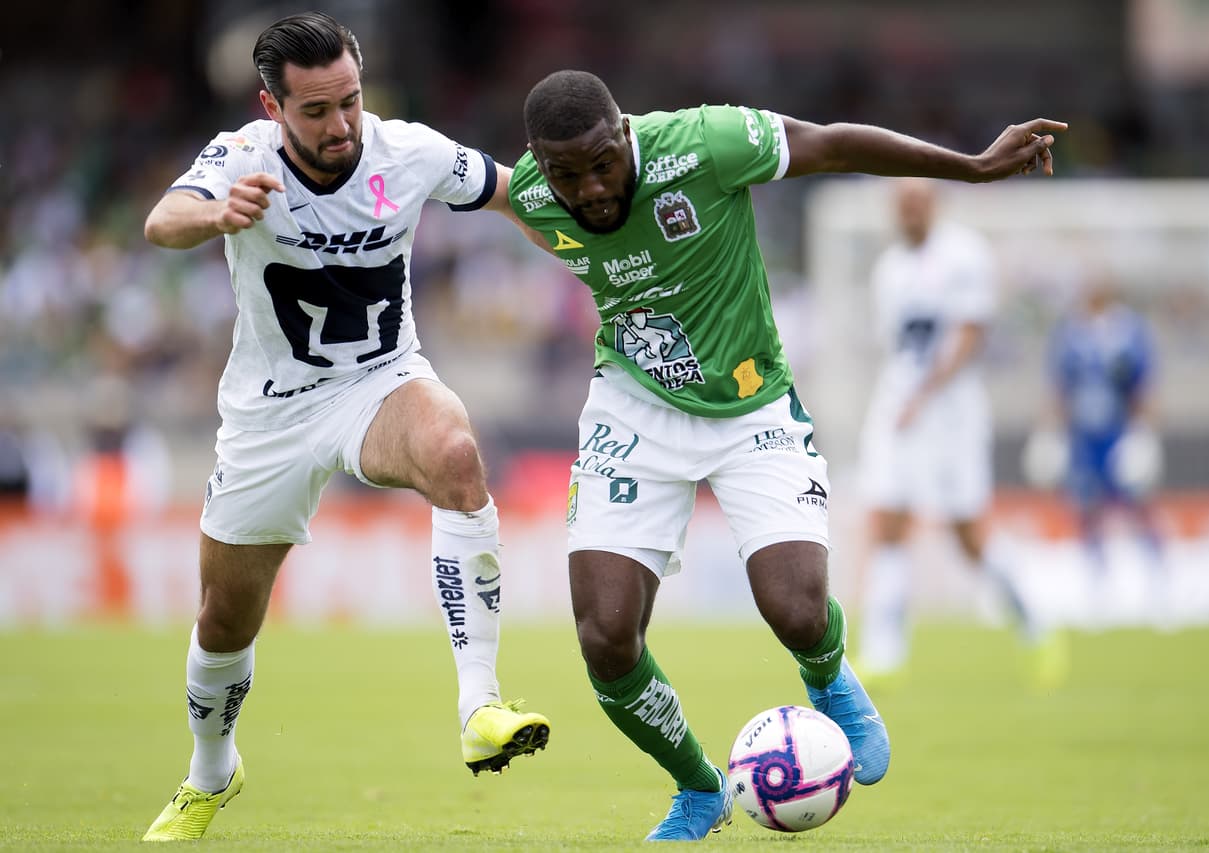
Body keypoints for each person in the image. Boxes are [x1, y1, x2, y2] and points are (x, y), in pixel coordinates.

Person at [511, 69, 1065, 841]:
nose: (592, 188)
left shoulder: (706, 143)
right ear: (540, 160)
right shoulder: (535, 190)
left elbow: (830, 144)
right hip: (632, 409)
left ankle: (831, 677)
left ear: (626, 132)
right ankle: (700, 787)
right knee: (604, 636)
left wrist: (969, 165)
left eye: (604, 163)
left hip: (750, 405)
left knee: (795, 609)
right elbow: (483, 191)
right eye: (567, 175)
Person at [139, 13, 549, 842]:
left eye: (351, 102)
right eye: (317, 111)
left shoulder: (411, 153)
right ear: (272, 108)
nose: (341, 125)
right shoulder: (240, 161)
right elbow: (162, 222)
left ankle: (480, 705)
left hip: (379, 381)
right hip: (270, 410)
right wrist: (217, 215)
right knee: (225, 617)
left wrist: (603, 261)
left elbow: (517, 195)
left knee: (456, 453)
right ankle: (210, 771)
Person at [853, 179, 1063, 687]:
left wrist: (924, 396)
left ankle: (1033, 618)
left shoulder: (964, 254)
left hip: (951, 413)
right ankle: (885, 649)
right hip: (898, 406)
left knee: (968, 534)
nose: (909, 212)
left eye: (918, 202)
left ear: (935, 205)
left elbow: (970, 334)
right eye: (901, 204)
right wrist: (906, 399)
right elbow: (898, 348)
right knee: (885, 519)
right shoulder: (889, 269)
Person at [1045, 278, 1164, 595]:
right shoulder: (1070, 331)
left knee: (1137, 503)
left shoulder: (1130, 331)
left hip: (1119, 430)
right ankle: (1098, 579)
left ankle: (1157, 574)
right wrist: (1050, 432)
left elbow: (1145, 386)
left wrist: (1142, 433)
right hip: (1084, 435)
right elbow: (1059, 386)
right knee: (1086, 506)